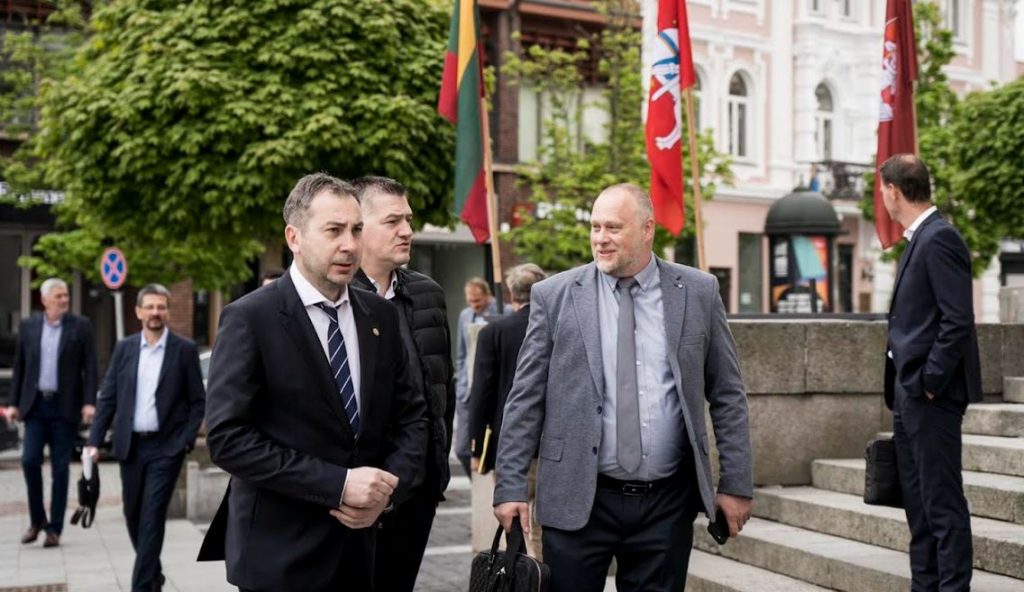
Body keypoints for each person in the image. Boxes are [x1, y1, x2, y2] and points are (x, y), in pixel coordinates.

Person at [493, 183, 753, 592]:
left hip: (666, 504)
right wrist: (509, 485)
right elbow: (524, 399)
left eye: (613, 227)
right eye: (595, 227)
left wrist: (735, 484)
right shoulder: (554, 296)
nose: (600, 238)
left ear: (648, 229)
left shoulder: (698, 292)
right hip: (576, 498)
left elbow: (727, 393)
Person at [197, 173, 428, 591]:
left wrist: (386, 493)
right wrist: (338, 485)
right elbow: (229, 439)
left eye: (356, 229)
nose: (350, 245)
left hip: (363, 554)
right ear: (294, 237)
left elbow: (412, 417)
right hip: (280, 559)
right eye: (334, 230)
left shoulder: (380, 316)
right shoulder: (250, 318)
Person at [350, 175, 455, 592]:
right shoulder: (336, 295)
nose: (407, 230)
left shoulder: (428, 294)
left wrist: (435, 470)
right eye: (393, 221)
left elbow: (442, 389)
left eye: (408, 219)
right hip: (353, 493)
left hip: (416, 491)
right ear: (358, 226)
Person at [881, 153, 981, 591]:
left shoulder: (940, 238)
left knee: (941, 504)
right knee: (918, 507)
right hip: (909, 392)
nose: (882, 197)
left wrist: (929, 382)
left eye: (882, 190)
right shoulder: (920, 238)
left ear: (894, 191)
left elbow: (957, 320)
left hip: (930, 395)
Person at [85, 283, 206, 592]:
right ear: (138, 311)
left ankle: (140, 586)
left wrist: (185, 440)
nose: (155, 312)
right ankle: (153, 576)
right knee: (133, 516)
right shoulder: (124, 348)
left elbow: (198, 401)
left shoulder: (184, 349)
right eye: (150, 307)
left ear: (167, 311)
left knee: (152, 517)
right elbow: (108, 398)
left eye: (161, 307)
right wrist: (93, 442)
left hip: (167, 449)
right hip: (130, 447)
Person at [7, 277, 98, 548]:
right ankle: (38, 520)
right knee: (29, 461)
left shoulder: (80, 326)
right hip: (35, 406)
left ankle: (54, 529)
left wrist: (89, 402)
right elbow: (20, 367)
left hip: (64, 408)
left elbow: (90, 367)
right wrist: (13, 403)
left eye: (66, 295)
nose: (64, 300)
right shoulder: (29, 326)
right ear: (45, 299)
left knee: (60, 469)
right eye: (59, 296)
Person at [469, 263, 546, 475]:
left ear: (512, 295)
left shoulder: (493, 333)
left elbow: (481, 393)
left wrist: (476, 448)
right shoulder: (561, 327)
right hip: (554, 446)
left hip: (508, 443)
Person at [454, 277, 508, 478]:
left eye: (477, 300)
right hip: (467, 390)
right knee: (462, 448)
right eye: (470, 301)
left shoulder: (504, 312)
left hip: (492, 389)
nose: (474, 305)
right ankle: (476, 481)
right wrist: (461, 384)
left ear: (488, 295)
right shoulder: (465, 316)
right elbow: (461, 353)